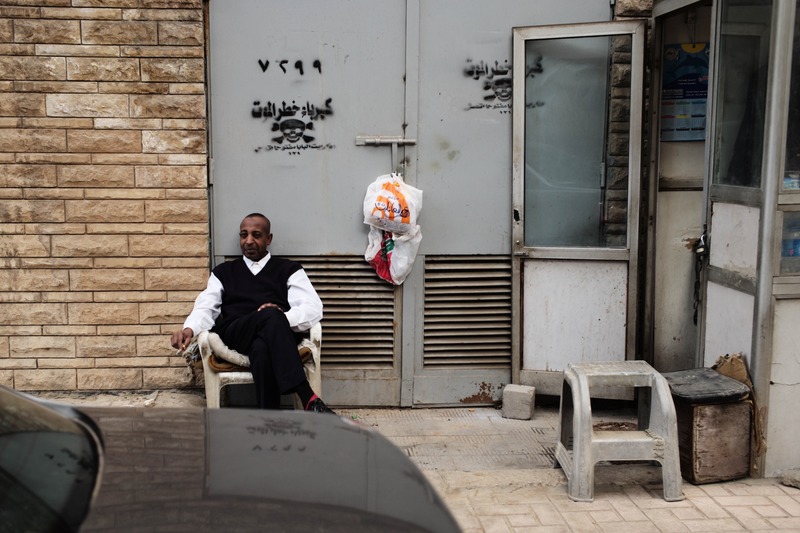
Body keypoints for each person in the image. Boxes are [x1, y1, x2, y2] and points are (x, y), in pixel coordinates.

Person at [171, 213, 333, 413]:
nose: (248, 241)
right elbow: (206, 307)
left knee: (262, 348)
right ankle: (307, 396)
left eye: (256, 235)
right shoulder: (223, 272)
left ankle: (269, 421)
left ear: (268, 239)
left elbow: (312, 308)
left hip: (274, 337)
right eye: (243, 235)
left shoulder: (289, 269)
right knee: (270, 315)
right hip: (237, 333)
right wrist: (189, 329)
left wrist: (280, 319)